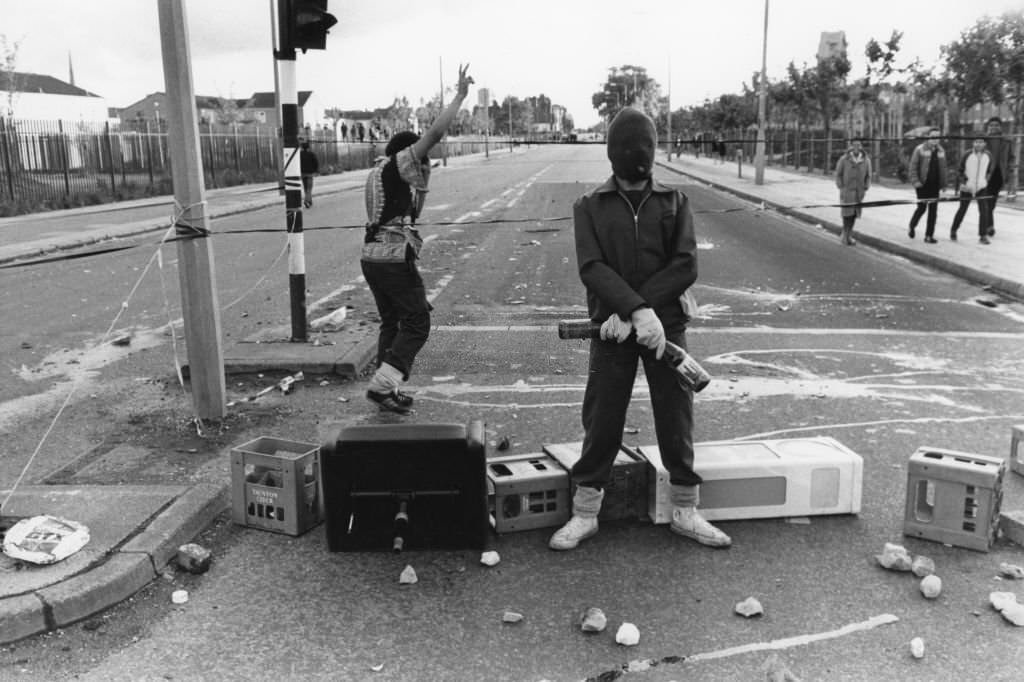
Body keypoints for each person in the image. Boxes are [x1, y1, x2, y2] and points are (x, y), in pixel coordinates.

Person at [549, 107, 731, 552]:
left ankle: (686, 510)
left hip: (661, 329)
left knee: (675, 415)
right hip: (611, 328)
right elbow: (593, 268)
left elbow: (685, 264)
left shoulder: (675, 202)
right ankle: (585, 512)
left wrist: (640, 311)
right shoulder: (589, 206)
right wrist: (634, 311)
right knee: (603, 417)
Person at [360, 64, 473, 414]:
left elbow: (410, 213)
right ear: (411, 156)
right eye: (422, 162)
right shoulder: (399, 164)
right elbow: (435, 134)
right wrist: (459, 96)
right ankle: (383, 386)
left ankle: (384, 389)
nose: (425, 167)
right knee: (417, 321)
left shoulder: (380, 172)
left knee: (391, 323)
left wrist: (422, 182)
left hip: (372, 258)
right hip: (394, 257)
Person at [950, 135, 993, 244]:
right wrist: (964, 182)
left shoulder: (988, 155)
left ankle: (983, 235)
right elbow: (959, 170)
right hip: (967, 187)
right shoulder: (967, 154)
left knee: (984, 211)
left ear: (985, 144)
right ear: (973, 143)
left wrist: (986, 180)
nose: (978, 144)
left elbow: (989, 170)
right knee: (962, 209)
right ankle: (954, 230)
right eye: (976, 142)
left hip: (981, 187)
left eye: (981, 142)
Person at [907, 128, 947, 244]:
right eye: (933, 136)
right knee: (922, 208)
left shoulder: (941, 151)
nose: (935, 139)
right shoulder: (920, 149)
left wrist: (944, 184)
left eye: (937, 137)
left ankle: (929, 236)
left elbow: (943, 168)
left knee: (933, 211)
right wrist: (916, 182)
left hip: (935, 185)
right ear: (928, 137)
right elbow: (913, 167)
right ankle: (912, 225)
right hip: (923, 184)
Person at [834, 136, 871, 245]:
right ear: (851, 146)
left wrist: (866, 186)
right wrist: (841, 186)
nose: (856, 147)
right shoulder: (844, 159)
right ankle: (845, 236)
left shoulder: (865, 159)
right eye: (854, 145)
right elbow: (838, 174)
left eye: (858, 145)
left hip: (859, 193)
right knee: (846, 214)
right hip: (847, 191)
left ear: (861, 146)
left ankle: (849, 235)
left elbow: (868, 175)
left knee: (854, 214)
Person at [983, 116, 1015, 239]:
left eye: (996, 125)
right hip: (985, 174)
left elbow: (1011, 156)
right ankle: (989, 226)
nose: (993, 127)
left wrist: (1010, 168)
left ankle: (986, 224)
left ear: (1000, 127)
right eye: (991, 125)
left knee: (992, 201)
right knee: (987, 200)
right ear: (988, 127)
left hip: (999, 174)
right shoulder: (983, 140)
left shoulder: (1007, 140)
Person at [299, 140, 319, 209]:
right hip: (310, 173)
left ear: (301, 147)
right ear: (308, 147)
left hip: (302, 173)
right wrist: (316, 170)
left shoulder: (299, 155)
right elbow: (316, 163)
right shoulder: (311, 154)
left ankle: (310, 201)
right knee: (309, 189)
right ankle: (306, 201)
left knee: (305, 188)